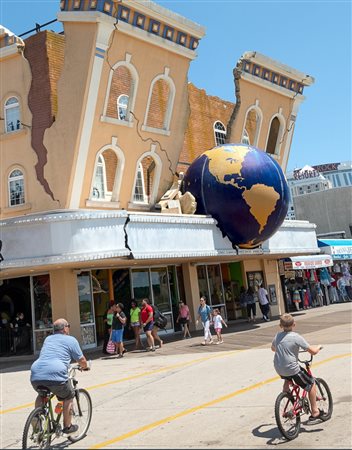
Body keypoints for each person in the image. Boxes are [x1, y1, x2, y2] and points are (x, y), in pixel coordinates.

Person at [30, 318, 89, 434]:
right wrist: (85, 366)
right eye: (69, 326)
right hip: (55, 373)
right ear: (65, 328)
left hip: (36, 373)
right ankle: (68, 426)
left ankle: (36, 418)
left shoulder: (48, 339)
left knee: (42, 394)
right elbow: (81, 360)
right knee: (69, 395)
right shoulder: (71, 340)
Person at [271, 313, 323, 421]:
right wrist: (318, 347)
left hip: (278, 367)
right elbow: (313, 352)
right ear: (294, 324)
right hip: (291, 368)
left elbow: (273, 349)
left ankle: (286, 392)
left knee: (287, 375)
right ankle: (315, 411)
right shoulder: (296, 337)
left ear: (280, 326)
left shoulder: (277, 336)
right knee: (311, 384)